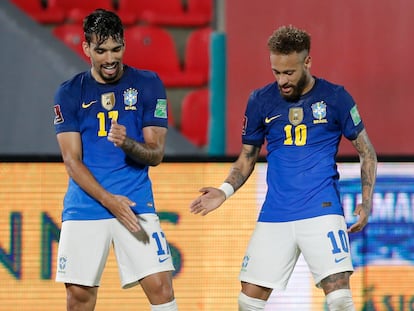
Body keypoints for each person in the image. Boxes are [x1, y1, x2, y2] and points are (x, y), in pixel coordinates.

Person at [190, 25, 377, 311]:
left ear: (307, 62)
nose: (282, 80)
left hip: (321, 209)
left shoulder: (336, 98)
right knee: (248, 301)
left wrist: (366, 202)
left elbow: (367, 152)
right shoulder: (260, 101)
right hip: (276, 212)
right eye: (276, 72)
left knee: (339, 298)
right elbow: (247, 156)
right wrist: (224, 190)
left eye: (288, 73)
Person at [52, 9, 178, 311]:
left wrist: (127, 143)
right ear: (86, 48)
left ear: (124, 44)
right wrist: (111, 201)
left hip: (135, 202)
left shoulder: (148, 84)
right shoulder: (68, 93)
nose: (110, 58)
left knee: (162, 288)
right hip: (86, 206)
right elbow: (72, 162)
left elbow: (155, 153)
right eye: (101, 50)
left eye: (116, 48)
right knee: (78, 297)